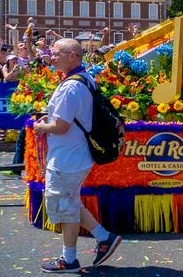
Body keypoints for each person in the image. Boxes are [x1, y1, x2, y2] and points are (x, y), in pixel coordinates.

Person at [32, 38, 121, 272]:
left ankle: (69, 260)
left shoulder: (71, 86)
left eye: (56, 53)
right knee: (69, 202)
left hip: (67, 158)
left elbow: (61, 126)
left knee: (66, 207)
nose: (51, 57)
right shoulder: (84, 78)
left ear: (72, 55)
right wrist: (50, 120)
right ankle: (104, 237)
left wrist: (41, 127)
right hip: (75, 154)